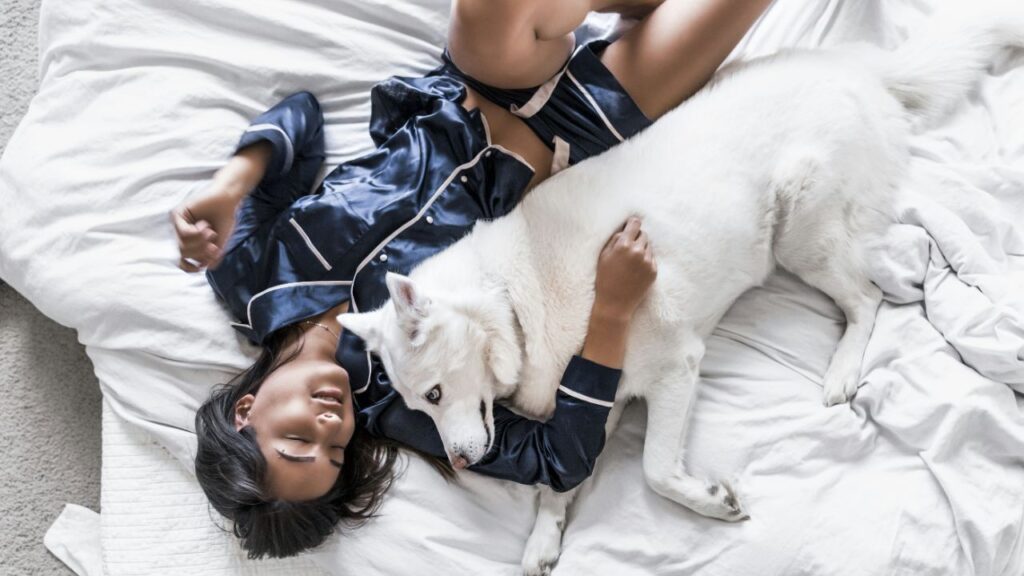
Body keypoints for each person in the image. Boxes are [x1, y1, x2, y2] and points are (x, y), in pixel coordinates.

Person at [173, 0, 774, 560]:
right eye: (333, 453)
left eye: (297, 440)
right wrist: (611, 314)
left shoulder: (245, 279)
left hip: (480, 85)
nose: (330, 428)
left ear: (246, 411)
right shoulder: (404, 400)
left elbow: (300, 117)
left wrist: (231, 184)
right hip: (583, 140)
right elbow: (558, 458)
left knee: (487, 8)